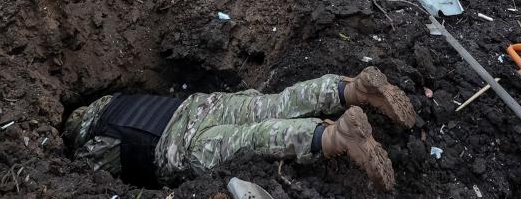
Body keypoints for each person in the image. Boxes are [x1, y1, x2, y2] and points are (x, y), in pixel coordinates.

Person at [63, 67, 415, 191]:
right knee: (276, 103)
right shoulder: (119, 100)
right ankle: (351, 89)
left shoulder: (93, 144)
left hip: (185, 145)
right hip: (203, 106)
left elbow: (99, 181)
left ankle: (335, 136)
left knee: (254, 139)